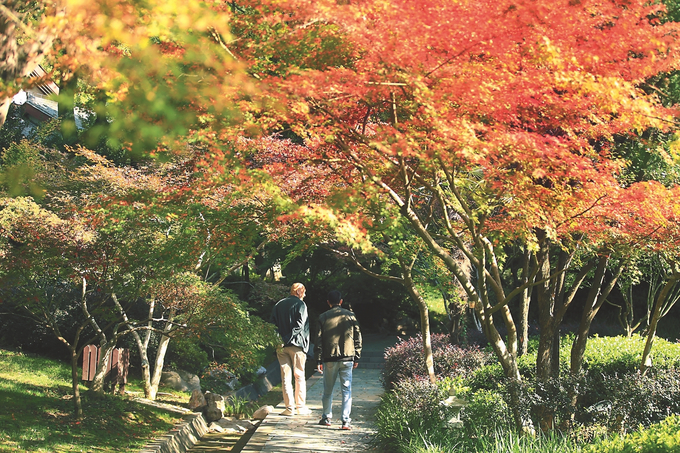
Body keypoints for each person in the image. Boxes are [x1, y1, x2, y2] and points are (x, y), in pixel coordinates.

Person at [316, 290, 362, 430]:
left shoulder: (323, 317)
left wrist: (318, 360)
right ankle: (345, 420)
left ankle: (326, 417)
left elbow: (318, 340)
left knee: (328, 390)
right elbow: (357, 337)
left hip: (329, 357)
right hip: (347, 357)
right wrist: (357, 356)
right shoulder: (351, 316)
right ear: (341, 301)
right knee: (346, 390)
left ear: (328, 302)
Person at [271, 282, 312, 416]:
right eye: (304, 292)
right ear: (299, 292)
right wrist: (288, 339)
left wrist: (279, 340)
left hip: (280, 346)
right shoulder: (300, 305)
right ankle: (300, 407)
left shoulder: (278, 304)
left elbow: (271, 325)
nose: (305, 295)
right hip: (297, 345)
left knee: (285, 377)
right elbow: (299, 325)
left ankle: (289, 408)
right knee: (299, 375)